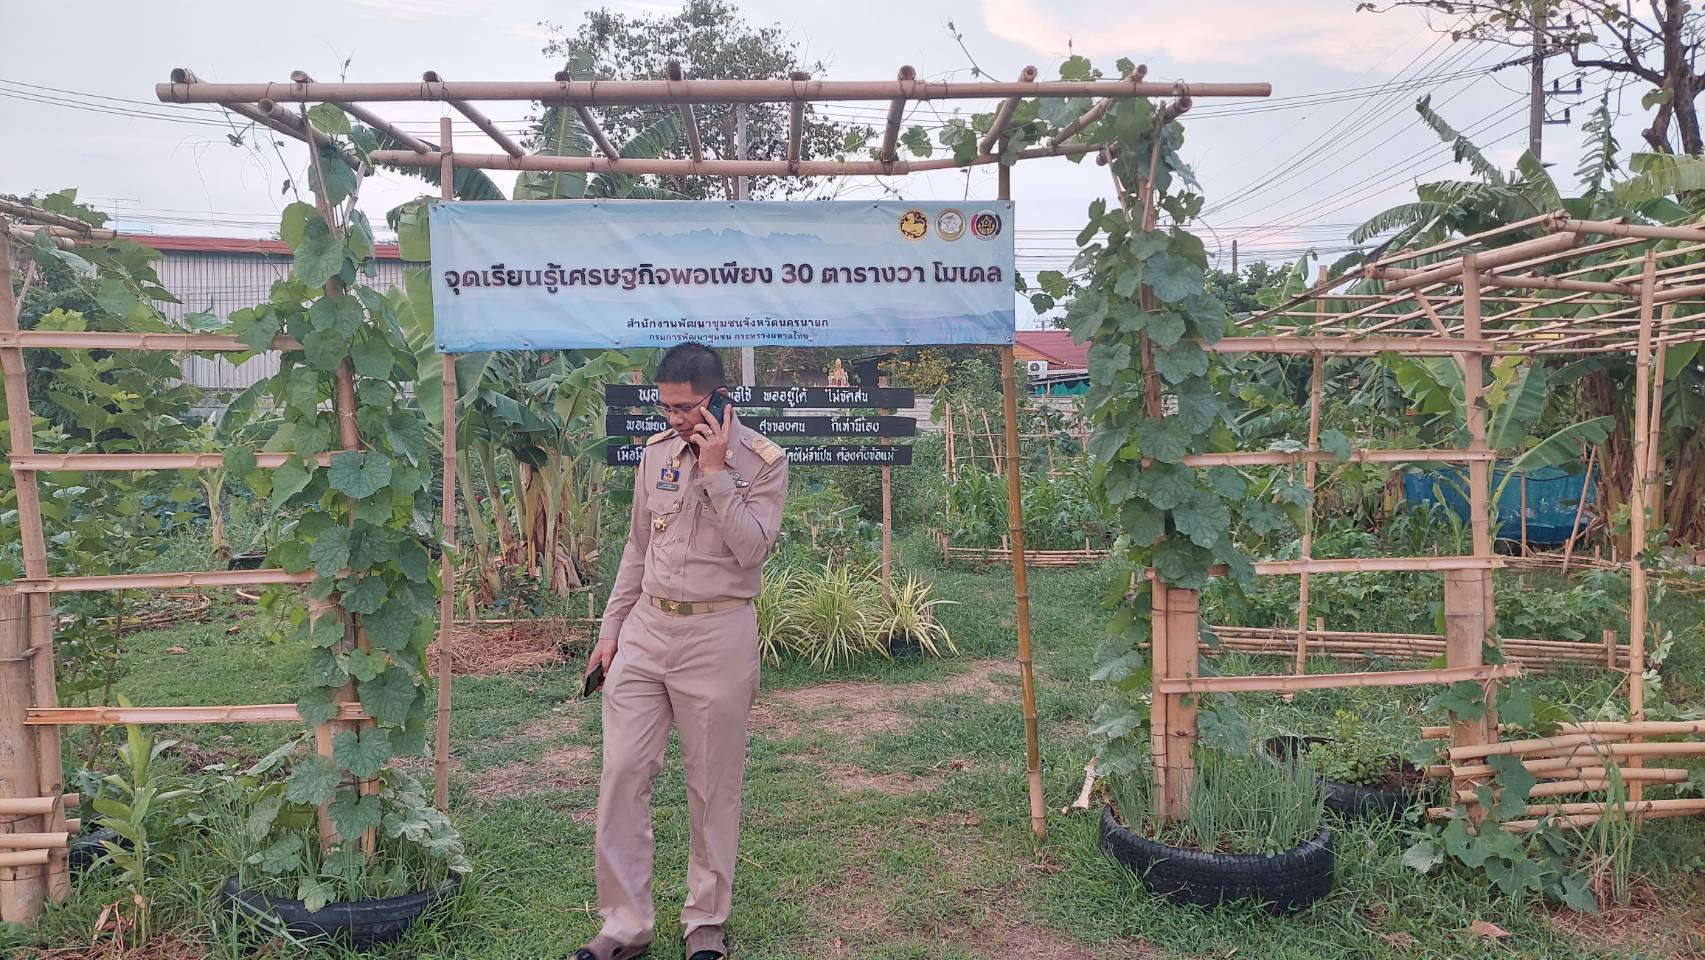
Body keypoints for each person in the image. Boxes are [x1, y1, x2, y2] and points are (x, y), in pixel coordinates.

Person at [574, 343, 789, 960]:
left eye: (686, 408)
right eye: (665, 408)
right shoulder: (656, 455)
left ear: (721, 398)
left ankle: (705, 926)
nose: (674, 420)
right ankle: (624, 926)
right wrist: (611, 630)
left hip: (717, 634)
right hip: (646, 629)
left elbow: (752, 551)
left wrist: (718, 472)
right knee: (621, 773)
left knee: (712, 784)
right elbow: (637, 550)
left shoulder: (763, 463)